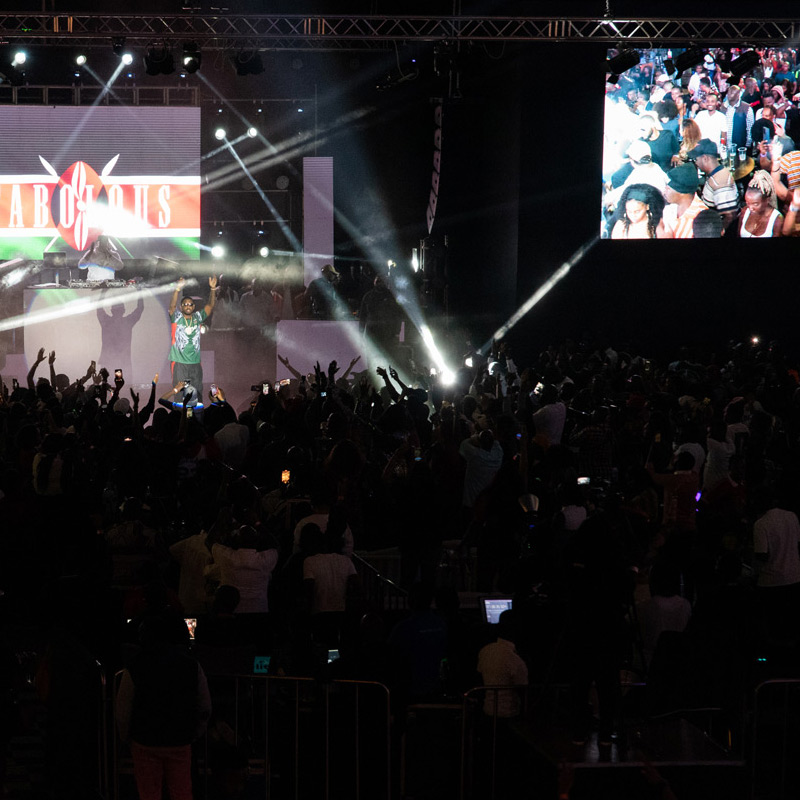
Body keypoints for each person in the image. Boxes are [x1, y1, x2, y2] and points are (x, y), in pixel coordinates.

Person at [116, 616, 212, 800]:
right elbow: (204, 705)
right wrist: (195, 732)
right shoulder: (191, 666)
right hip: (180, 738)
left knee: (149, 793)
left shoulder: (135, 665)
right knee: (182, 791)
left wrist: (126, 736)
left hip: (144, 739)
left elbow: (123, 708)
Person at [167, 275, 217, 399]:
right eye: (185, 304)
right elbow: (172, 307)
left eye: (190, 304)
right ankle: (179, 415)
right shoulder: (177, 318)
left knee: (197, 392)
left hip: (195, 363)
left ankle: (197, 415)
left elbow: (210, 306)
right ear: (181, 307)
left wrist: (213, 289)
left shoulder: (198, 317)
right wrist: (177, 289)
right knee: (180, 393)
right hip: (179, 363)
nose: (188, 306)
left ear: (193, 307)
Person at [687, 138, 739, 228]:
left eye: (696, 159)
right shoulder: (717, 173)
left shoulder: (719, 182)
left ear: (705, 158)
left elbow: (730, 216)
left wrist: (719, 233)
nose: (696, 163)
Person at [661, 163, 708, 238]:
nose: (664, 192)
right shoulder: (670, 208)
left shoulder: (703, 219)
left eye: (668, 189)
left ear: (681, 193)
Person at [738, 170, 783, 238]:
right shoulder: (744, 212)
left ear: (767, 200)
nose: (750, 208)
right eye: (747, 203)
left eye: (755, 204)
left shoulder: (777, 220)